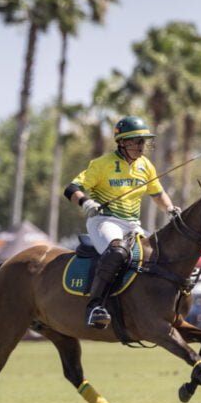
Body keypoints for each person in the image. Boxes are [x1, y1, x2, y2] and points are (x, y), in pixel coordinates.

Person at [64, 115, 179, 329]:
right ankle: (95, 306)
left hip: (132, 224)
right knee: (117, 252)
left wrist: (171, 209)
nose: (141, 146)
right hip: (104, 221)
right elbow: (71, 188)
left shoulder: (146, 166)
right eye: (136, 141)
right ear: (122, 142)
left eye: (143, 141)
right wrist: (86, 203)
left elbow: (158, 194)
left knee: (157, 256)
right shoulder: (101, 164)